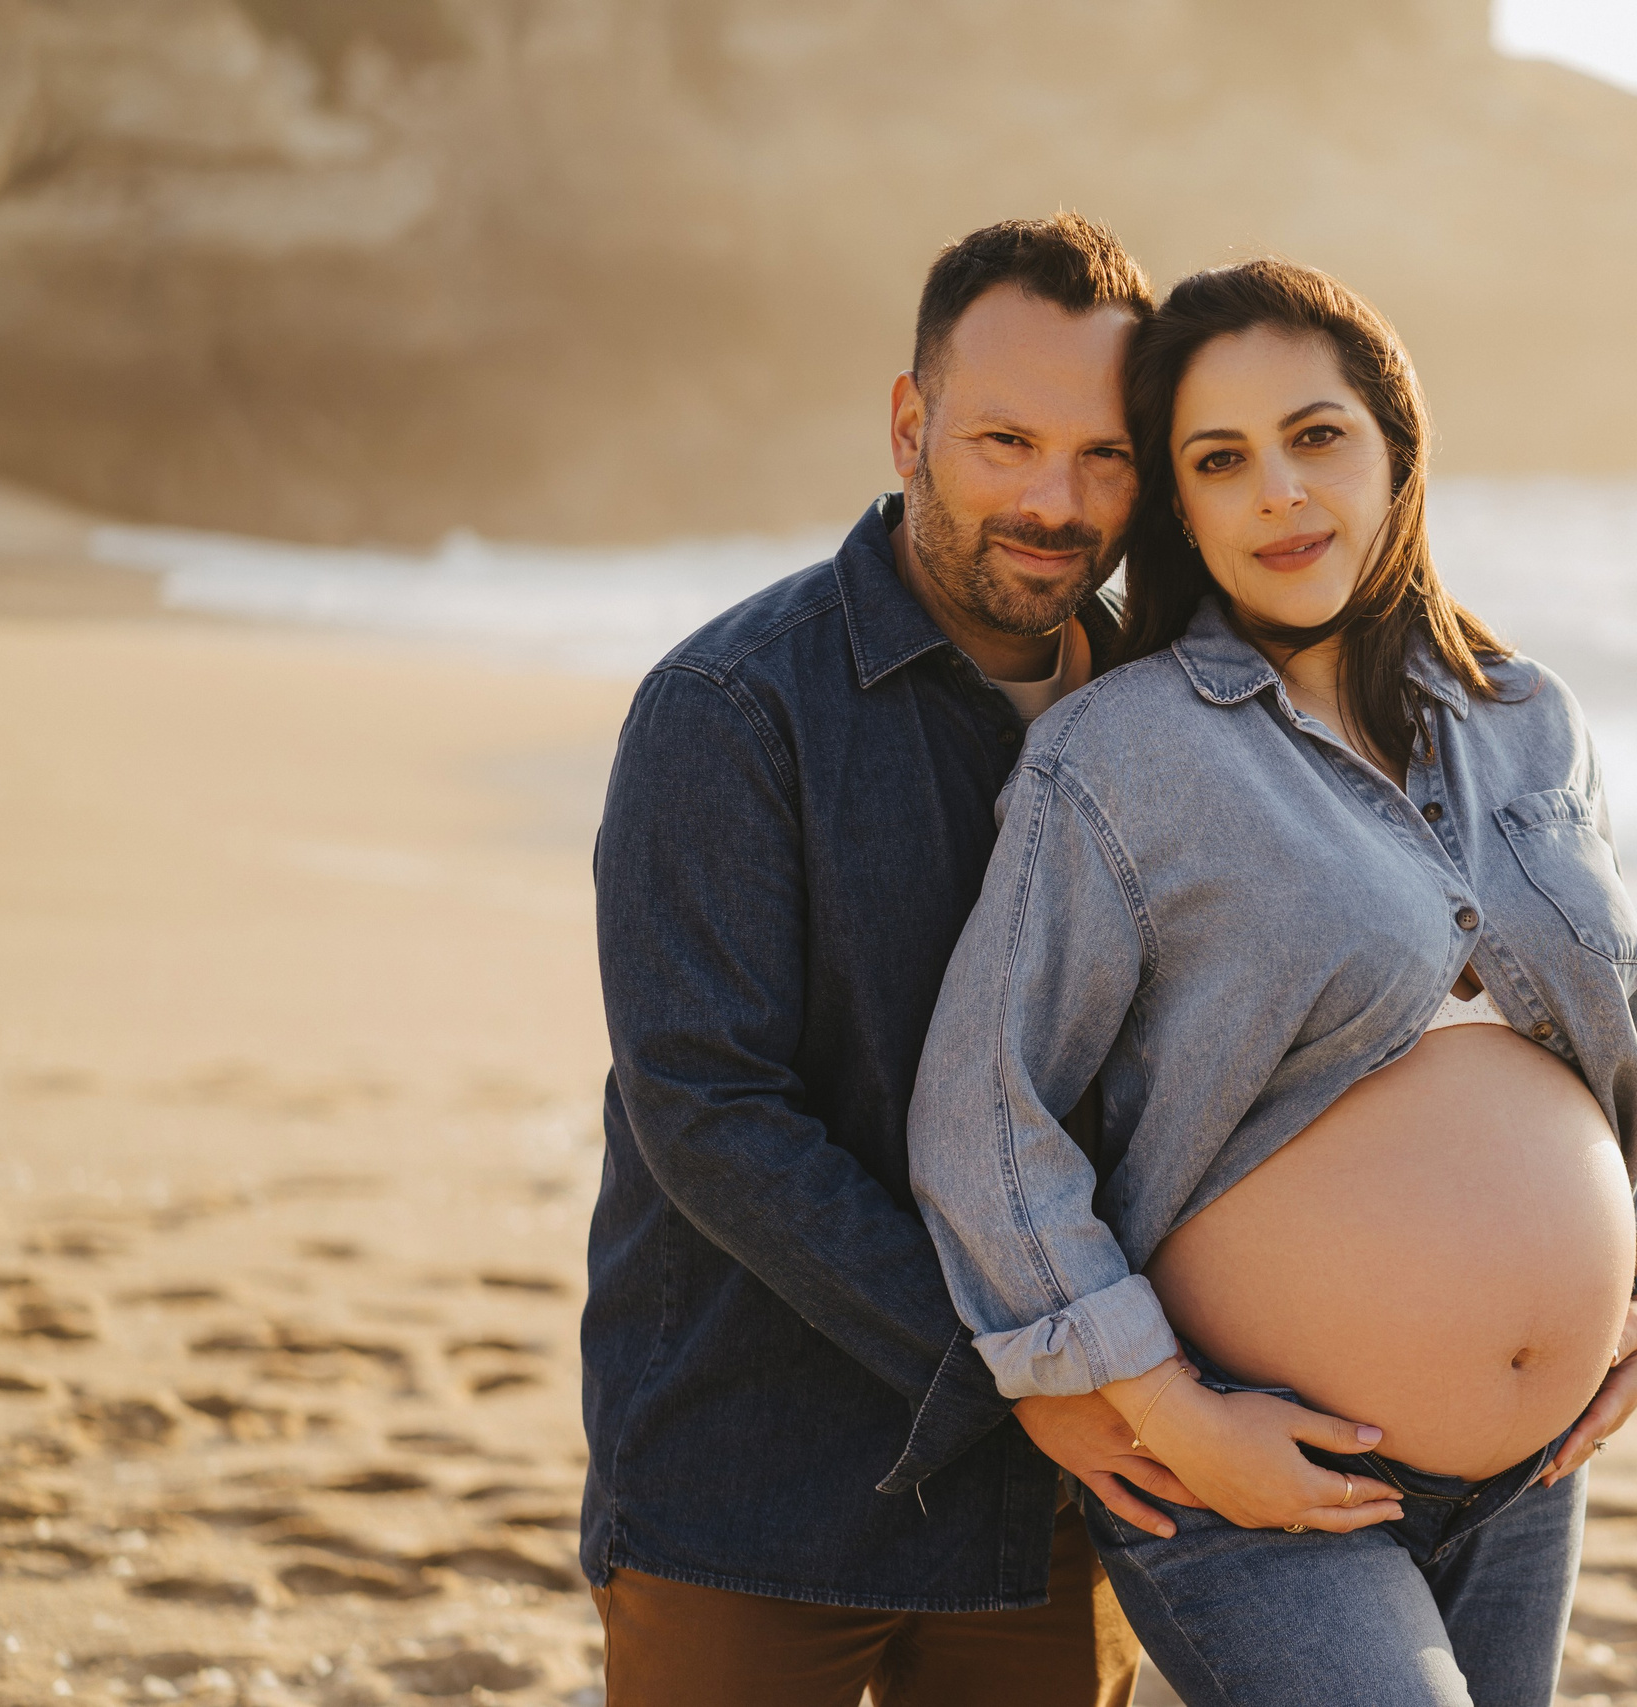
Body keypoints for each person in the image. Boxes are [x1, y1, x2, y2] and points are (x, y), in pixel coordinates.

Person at [909, 258, 1637, 1706]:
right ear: (1180, 508)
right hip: (1249, 1479)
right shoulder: (1124, 756)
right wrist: (1158, 1403)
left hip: (1533, 1476)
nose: (1279, 492)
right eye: (1222, 462)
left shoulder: (1527, 720)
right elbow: (980, 1104)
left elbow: (1619, 1031)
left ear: (1396, 445)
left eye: (1317, 436)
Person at [580, 214, 1200, 1707]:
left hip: (1058, 1507)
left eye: (1105, 457)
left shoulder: (1177, 720)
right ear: (912, 422)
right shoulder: (730, 708)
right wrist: (1025, 1368)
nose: (1056, 503)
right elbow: (710, 1112)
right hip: (756, 1480)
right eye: (1005, 442)